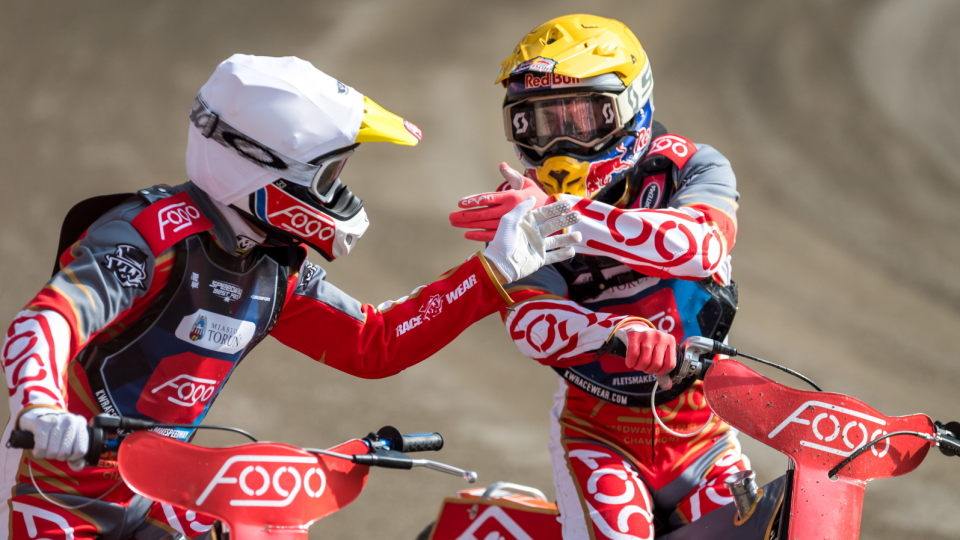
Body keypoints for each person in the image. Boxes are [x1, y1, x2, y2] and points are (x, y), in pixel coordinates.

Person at [0, 54, 582, 540]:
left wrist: (494, 270)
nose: (340, 193)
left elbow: (372, 343)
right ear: (261, 168)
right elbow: (48, 319)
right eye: (329, 176)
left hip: (162, 487)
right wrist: (41, 409)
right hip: (52, 488)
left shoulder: (273, 264)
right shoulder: (149, 238)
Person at [450, 15, 746, 538]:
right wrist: (618, 333)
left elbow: (701, 247)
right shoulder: (518, 209)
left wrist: (561, 216)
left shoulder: (692, 165)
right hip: (598, 435)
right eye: (539, 123)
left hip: (704, 433)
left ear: (632, 106)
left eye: (581, 119)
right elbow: (527, 322)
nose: (559, 145)